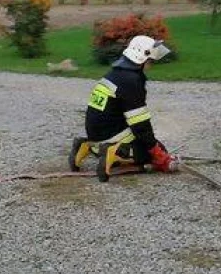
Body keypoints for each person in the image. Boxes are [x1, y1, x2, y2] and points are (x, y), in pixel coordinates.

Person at [71, 35, 178, 182]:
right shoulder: (131, 81)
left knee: (149, 145)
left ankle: (86, 146)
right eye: (150, 61)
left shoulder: (115, 73)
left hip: (95, 133)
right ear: (142, 59)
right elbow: (140, 124)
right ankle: (115, 152)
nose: (151, 65)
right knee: (149, 153)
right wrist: (156, 151)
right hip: (111, 133)